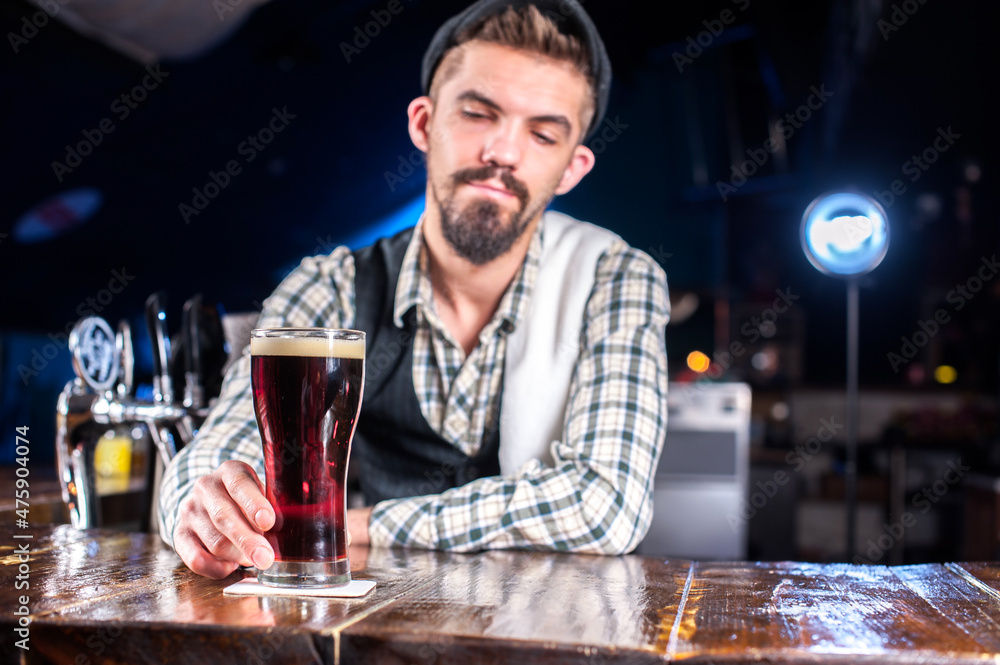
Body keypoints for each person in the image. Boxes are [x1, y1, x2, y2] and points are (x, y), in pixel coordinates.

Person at [159, 0, 670, 579]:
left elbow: (606, 507)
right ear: (425, 123)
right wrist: (201, 509)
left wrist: (362, 526)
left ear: (572, 169)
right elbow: (211, 453)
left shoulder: (616, 278)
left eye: (543, 135)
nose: (503, 152)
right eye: (478, 113)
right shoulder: (330, 284)